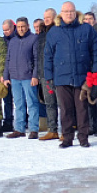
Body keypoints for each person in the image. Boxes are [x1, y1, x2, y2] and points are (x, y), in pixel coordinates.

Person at [44, 1, 97, 148]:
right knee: (65, 110)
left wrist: (96, 73)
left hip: (82, 77)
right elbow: (48, 55)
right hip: (62, 77)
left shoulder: (86, 29)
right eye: (66, 11)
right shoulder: (54, 32)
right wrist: (48, 76)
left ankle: (83, 137)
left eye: (71, 11)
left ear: (76, 13)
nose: (69, 14)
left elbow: (96, 52)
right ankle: (67, 138)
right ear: (61, 14)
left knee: (82, 109)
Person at [3, 17, 41, 139]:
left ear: (27, 26)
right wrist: (6, 76)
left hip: (28, 76)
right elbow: (8, 59)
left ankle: (34, 129)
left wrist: (35, 75)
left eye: (23, 26)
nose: (21, 29)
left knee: (32, 103)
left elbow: (37, 59)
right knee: (18, 104)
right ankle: (19, 129)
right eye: (18, 27)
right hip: (15, 77)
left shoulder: (33, 39)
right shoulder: (13, 41)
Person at [37, 8, 61, 141]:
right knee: (49, 103)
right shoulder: (41, 34)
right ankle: (53, 130)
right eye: (45, 17)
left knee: (62, 104)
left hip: (57, 74)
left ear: (54, 17)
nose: (46, 19)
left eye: (49, 17)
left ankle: (67, 129)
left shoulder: (58, 31)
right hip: (43, 74)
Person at [0, 19, 16, 132]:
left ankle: (23, 120)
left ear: (12, 28)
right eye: (4, 30)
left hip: (18, 74)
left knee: (21, 101)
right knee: (7, 100)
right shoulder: (2, 41)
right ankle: (8, 121)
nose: (6, 32)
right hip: (6, 75)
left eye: (8, 29)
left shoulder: (18, 39)